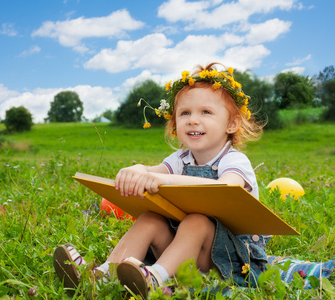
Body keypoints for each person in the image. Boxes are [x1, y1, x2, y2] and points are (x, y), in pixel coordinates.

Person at [53, 62, 270, 297]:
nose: (193, 120)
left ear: (231, 124)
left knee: (197, 221)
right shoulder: (180, 159)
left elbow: (226, 188)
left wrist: (159, 179)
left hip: (230, 261)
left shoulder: (234, 161)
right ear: (175, 123)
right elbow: (152, 170)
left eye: (206, 112)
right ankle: (102, 277)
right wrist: (138, 170)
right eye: (185, 113)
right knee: (150, 218)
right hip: (185, 254)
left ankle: (154, 279)